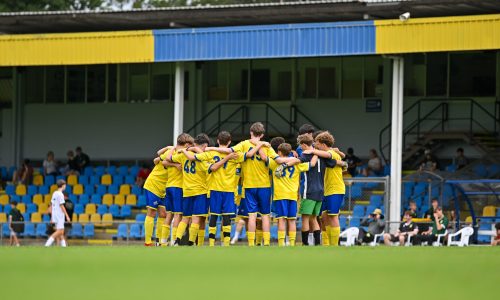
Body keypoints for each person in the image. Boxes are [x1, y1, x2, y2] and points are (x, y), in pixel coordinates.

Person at [228, 122, 294, 246]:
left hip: (249, 186)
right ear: (262, 134)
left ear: (250, 132)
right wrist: (296, 159)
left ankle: (252, 243)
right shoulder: (267, 147)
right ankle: (267, 242)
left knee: (252, 216)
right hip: (264, 186)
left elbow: (229, 151)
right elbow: (278, 160)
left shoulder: (243, 144)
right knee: (265, 215)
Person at [180, 131, 245, 247]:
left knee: (213, 216)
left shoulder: (211, 153)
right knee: (227, 217)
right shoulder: (236, 155)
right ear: (229, 142)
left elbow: (194, 157)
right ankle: (226, 244)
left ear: (218, 141)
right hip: (229, 190)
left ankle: (211, 244)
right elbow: (247, 156)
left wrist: (190, 149)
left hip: (214, 189)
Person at [300, 131, 347, 246]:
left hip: (335, 189)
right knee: (324, 217)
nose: (315, 144)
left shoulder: (330, 153)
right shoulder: (327, 155)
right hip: (326, 190)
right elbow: (341, 160)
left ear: (322, 143)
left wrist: (313, 151)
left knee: (333, 216)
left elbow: (330, 156)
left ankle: (334, 245)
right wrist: (343, 161)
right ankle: (326, 244)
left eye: (317, 142)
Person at [170, 133, 212, 246]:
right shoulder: (202, 159)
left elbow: (169, 158)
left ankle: (176, 240)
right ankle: (191, 243)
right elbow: (211, 168)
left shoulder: (184, 155)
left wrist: (174, 149)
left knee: (185, 218)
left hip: (187, 191)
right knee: (196, 219)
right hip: (200, 191)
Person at [266, 143, 310, 246]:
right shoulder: (296, 164)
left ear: (279, 152)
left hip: (280, 195)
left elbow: (264, 157)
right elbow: (311, 164)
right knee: (292, 221)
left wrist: (267, 147)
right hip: (292, 196)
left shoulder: (275, 163)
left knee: (281, 220)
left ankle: (281, 243)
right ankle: (292, 243)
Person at [297, 134, 335, 246]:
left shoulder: (305, 155)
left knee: (305, 218)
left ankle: (305, 243)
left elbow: (297, 161)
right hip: (320, 191)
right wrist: (343, 163)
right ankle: (317, 244)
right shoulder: (322, 155)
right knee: (314, 218)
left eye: (301, 146)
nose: (301, 148)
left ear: (304, 145)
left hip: (308, 191)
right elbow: (333, 162)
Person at [159, 133, 194, 246]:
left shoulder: (171, 151)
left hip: (168, 186)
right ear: (186, 144)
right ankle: (174, 241)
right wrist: (175, 165)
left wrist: (171, 150)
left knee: (169, 214)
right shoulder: (184, 154)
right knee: (178, 215)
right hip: (178, 187)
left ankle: (163, 241)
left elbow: (162, 160)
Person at [142, 146, 173, 246]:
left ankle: (158, 241)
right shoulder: (171, 152)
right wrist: (169, 148)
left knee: (163, 214)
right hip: (153, 185)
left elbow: (157, 156)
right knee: (151, 212)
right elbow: (158, 159)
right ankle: (147, 242)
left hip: (162, 189)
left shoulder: (181, 154)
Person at [45, 180, 71, 247]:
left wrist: (52, 217)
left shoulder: (54, 193)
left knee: (61, 232)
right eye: (65, 185)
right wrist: (67, 216)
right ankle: (47, 244)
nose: (65, 186)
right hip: (59, 215)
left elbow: (52, 205)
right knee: (59, 231)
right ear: (62, 185)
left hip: (55, 214)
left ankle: (64, 246)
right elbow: (61, 205)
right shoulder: (60, 194)